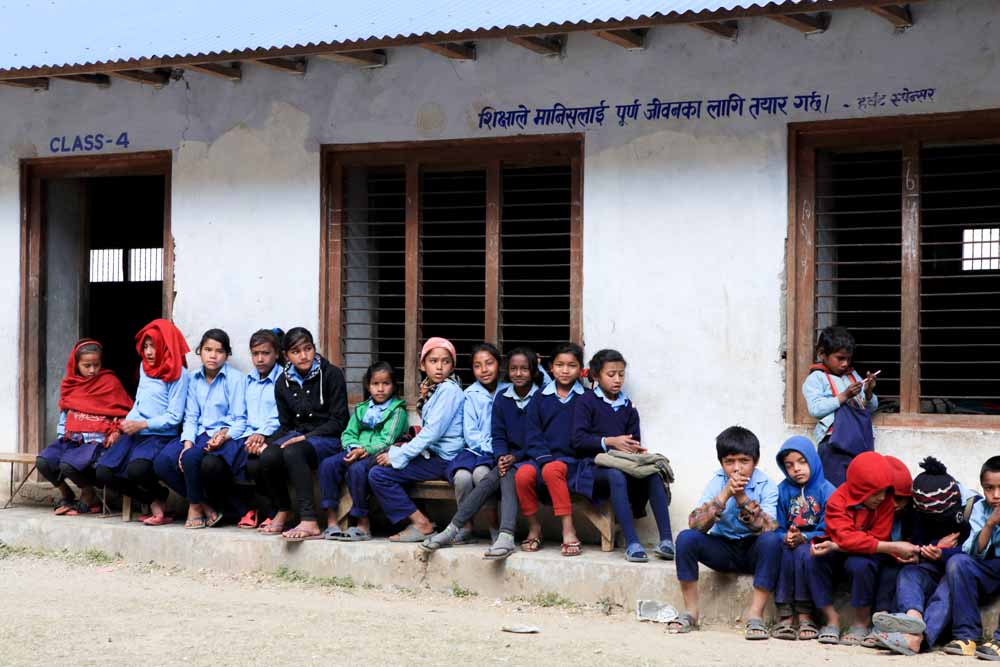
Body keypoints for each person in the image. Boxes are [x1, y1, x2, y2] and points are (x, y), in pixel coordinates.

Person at [421, 347, 544, 560]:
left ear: (533, 371)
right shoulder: (503, 398)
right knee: (489, 478)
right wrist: (501, 455)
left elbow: (539, 437)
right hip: (506, 456)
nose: (518, 373)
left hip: (530, 457)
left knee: (505, 476)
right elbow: (498, 435)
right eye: (513, 369)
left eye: (524, 369)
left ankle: (505, 535)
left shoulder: (541, 398)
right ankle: (452, 530)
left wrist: (513, 457)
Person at [668, 426, 781, 640]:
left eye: (743, 461)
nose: (736, 469)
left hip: (753, 552)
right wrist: (725, 494)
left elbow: (769, 527)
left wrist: (741, 499)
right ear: (721, 463)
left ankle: (755, 616)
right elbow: (695, 523)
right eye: (729, 462)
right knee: (685, 538)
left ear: (755, 462)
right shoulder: (718, 482)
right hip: (723, 550)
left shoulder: (767, 485)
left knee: (772, 541)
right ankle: (691, 612)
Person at [571, 348, 674, 562]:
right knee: (616, 476)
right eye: (611, 375)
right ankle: (633, 543)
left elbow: (633, 441)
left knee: (653, 474)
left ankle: (666, 541)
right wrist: (610, 441)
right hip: (593, 468)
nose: (617, 379)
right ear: (597, 376)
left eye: (621, 374)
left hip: (623, 464)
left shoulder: (628, 407)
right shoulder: (586, 402)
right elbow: (578, 441)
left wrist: (634, 449)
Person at [806, 451, 919, 645]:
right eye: (875, 493)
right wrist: (845, 544)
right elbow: (845, 536)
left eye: (885, 491)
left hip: (863, 554)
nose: (881, 497)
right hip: (838, 552)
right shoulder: (837, 501)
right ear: (859, 489)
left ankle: (862, 621)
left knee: (862, 564)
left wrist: (842, 544)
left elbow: (877, 537)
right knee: (813, 559)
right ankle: (831, 618)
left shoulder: (885, 502)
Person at [872, 456, 981, 656]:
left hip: (959, 572)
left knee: (949, 585)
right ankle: (913, 618)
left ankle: (919, 639)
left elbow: (975, 553)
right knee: (908, 573)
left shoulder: (972, 508)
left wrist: (944, 553)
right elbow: (919, 541)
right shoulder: (918, 507)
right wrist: (924, 553)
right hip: (932, 565)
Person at [368, 337, 465, 542]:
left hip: (444, 459)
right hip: (432, 454)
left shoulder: (449, 390)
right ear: (422, 364)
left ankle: (422, 524)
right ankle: (420, 520)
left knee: (379, 474)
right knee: (379, 467)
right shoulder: (432, 389)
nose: (439, 367)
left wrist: (399, 455)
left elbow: (432, 433)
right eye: (433, 361)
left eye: (445, 361)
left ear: (453, 366)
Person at [94, 319, 189, 525]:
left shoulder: (178, 373)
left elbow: (174, 417)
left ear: (165, 344)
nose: (148, 352)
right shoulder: (145, 367)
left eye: (153, 345)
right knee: (104, 471)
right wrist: (123, 427)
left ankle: (158, 505)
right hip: (137, 433)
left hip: (160, 435)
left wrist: (143, 425)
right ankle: (155, 498)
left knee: (138, 470)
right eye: (145, 346)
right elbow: (139, 403)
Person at [257, 327, 349, 541]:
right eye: (296, 351)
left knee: (293, 452)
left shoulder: (332, 374)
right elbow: (286, 425)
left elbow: (339, 421)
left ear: (314, 349)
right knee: (269, 455)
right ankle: (283, 509)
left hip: (329, 439)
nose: (304, 355)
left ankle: (309, 520)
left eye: (308, 349)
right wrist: (267, 442)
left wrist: (307, 437)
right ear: (286, 355)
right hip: (298, 437)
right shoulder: (282, 382)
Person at [153, 329, 246, 529]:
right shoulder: (192, 378)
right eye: (208, 349)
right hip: (197, 433)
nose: (213, 355)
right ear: (199, 352)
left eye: (219, 351)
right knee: (162, 462)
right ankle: (204, 505)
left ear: (227, 354)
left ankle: (194, 507)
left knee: (191, 458)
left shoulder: (236, 379)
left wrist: (225, 435)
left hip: (222, 436)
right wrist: (187, 443)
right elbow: (191, 417)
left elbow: (240, 420)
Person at [37, 339, 133, 516]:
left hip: (96, 442)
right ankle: (66, 493)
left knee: (68, 465)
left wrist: (117, 430)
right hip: (71, 438)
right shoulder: (71, 384)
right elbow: (65, 413)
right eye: (86, 365)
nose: (92, 370)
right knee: (44, 461)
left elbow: (126, 411)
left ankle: (88, 493)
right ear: (76, 364)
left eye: (96, 365)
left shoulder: (110, 382)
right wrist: (63, 434)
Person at [318, 361, 408, 541]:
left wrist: (364, 450)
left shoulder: (397, 411)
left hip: (379, 454)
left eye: (386, 383)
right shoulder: (362, 409)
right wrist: (353, 448)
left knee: (356, 470)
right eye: (375, 384)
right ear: (368, 385)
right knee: (328, 465)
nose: (380, 389)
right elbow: (348, 433)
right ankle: (332, 521)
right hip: (356, 451)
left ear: (394, 386)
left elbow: (387, 440)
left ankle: (363, 522)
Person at [515, 343, 586, 557]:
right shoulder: (540, 398)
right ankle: (534, 527)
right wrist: (544, 458)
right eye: (560, 365)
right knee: (522, 474)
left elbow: (587, 434)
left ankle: (568, 528)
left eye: (571, 365)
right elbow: (532, 433)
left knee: (552, 470)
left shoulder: (586, 398)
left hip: (573, 461)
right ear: (551, 368)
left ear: (580, 368)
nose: (565, 370)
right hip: (542, 458)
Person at [210, 328, 285, 530]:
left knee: (255, 464)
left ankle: (273, 511)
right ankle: (243, 509)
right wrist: (226, 434)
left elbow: (281, 417)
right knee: (212, 463)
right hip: (246, 435)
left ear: (276, 354)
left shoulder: (284, 380)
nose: (260, 359)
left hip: (271, 434)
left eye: (265, 353)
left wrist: (262, 434)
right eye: (255, 354)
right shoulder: (248, 380)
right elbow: (239, 417)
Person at [769, 436, 836, 641]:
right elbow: (776, 525)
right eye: (789, 465)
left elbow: (830, 529)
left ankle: (805, 614)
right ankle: (786, 614)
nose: (796, 469)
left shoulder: (827, 490)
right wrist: (784, 537)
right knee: (785, 552)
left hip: (814, 543)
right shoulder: (782, 490)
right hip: (789, 541)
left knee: (802, 553)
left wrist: (805, 537)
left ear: (813, 461)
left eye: (802, 461)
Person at [802, 326, 878, 486]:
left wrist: (869, 392)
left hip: (858, 441)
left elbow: (870, 408)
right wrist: (844, 396)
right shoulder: (816, 378)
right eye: (840, 358)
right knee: (835, 489)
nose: (845, 363)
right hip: (832, 444)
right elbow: (815, 409)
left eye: (849, 359)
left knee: (859, 488)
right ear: (822, 354)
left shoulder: (852, 375)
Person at [447, 343, 508, 544]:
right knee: (462, 477)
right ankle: (465, 526)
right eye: (477, 365)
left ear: (499, 364)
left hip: (501, 452)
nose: (484, 370)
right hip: (475, 451)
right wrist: (489, 446)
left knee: (482, 475)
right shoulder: (470, 395)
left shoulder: (509, 390)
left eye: (489, 363)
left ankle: (493, 526)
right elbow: (470, 434)